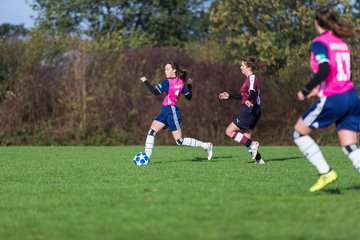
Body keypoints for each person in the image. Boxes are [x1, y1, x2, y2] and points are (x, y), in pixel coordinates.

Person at [293, 6, 360, 192]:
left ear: (317, 22)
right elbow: (347, 74)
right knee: (349, 145)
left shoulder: (320, 42)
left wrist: (305, 90)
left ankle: (325, 172)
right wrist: (319, 88)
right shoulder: (342, 43)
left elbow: (324, 69)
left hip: (334, 97)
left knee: (299, 133)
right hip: (352, 97)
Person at [140, 62, 213, 161]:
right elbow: (189, 97)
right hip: (164, 112)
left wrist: (145, 81)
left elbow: (155, 92)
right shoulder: (181, 82)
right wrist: (189, 85)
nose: (165, 71)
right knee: (151, 132)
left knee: (179, 141)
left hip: (171, 112)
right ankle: (146, 157)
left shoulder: (167, 83)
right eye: (165, 69)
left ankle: (206, 145)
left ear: (174, 70)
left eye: (168, 69)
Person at [218, 57, 266, 164]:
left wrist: (249, 99)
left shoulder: (252, 78)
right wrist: (229, 96)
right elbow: (243, 95)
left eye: (243, 66)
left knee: (229, 131)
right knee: (246, 138)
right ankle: (259, 160)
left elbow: (252, 92)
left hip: (250, 110)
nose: (241, 67)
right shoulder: (248, 79)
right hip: (252, 110)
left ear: (248, 67)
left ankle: (253, 144)